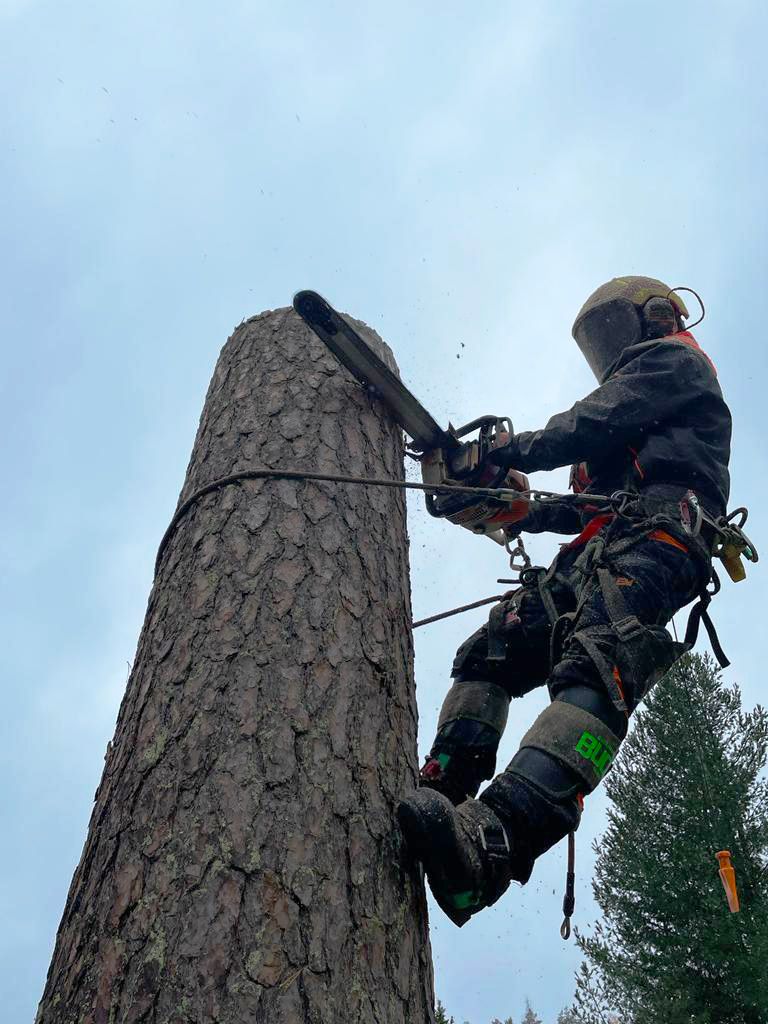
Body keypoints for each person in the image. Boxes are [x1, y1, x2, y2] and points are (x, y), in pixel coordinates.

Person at [397, 275, 732, 926]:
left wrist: (501, 450)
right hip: (599, 546)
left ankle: (492, 844)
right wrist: (510, 504)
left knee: (597, 661)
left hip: (660, 540)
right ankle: (445, 780)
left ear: (655, 318)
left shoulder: (676, 365)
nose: (607, 352)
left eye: (611, 333)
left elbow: (587, 423)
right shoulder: (623, 421)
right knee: (490, 650)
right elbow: (577, 505)